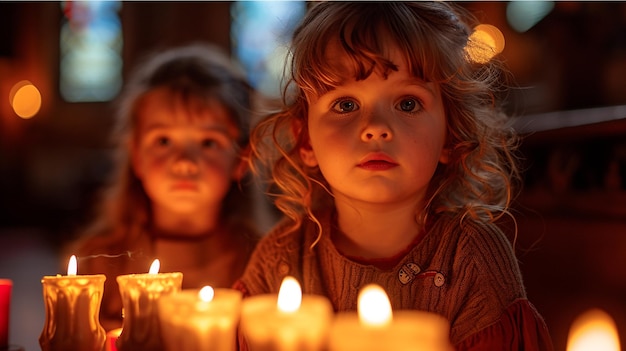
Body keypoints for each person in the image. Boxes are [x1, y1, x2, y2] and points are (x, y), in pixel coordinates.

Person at [235, 2, 553, 350]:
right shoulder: (282, 257)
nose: (375, 128)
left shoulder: (470, 259)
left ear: (451, 134)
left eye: (407, 104)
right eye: (345, 105)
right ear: (305, 140)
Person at [67, 43, 260, 331]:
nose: (184, 163)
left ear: (241, 160)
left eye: (208, 143)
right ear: (137, 157)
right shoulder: (96, 267)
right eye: (163, 141)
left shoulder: (260, 262)